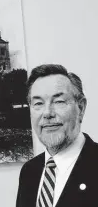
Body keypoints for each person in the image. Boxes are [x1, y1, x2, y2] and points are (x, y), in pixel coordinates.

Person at [16, 64, 98, 207]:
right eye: (38, 103)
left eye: (59, 101)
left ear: (81, 107)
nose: (47, 113)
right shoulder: (29, 171)